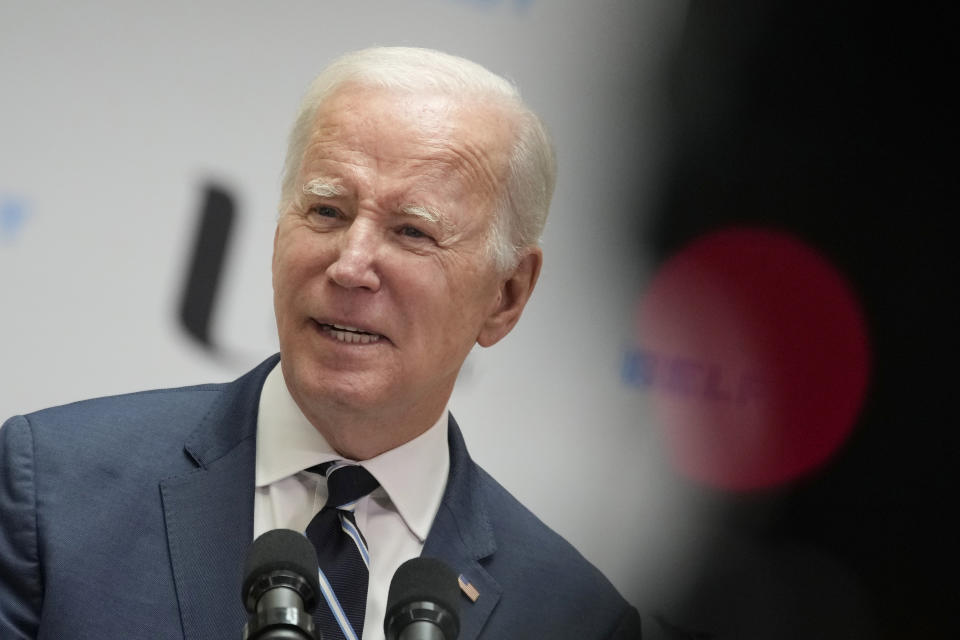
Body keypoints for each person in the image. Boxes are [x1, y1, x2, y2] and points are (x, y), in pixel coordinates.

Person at [0, 47, 641, 639]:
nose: (350, 265)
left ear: (505, 295)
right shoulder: (54, 492)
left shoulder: (574, 614)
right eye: (328, 212)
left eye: (413, 231)